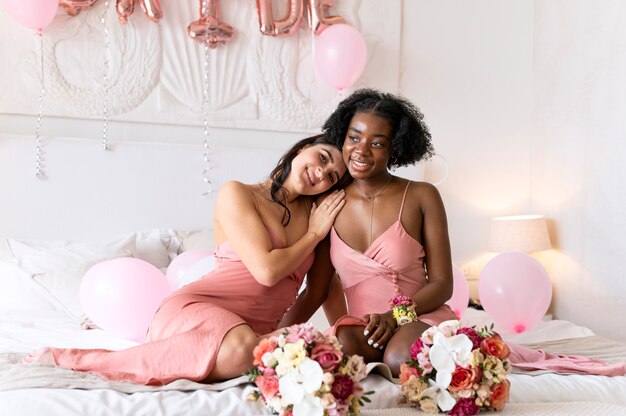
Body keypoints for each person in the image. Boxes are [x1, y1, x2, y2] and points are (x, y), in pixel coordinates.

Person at [23, 134, 349, 385]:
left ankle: (255, 346)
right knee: (240, 350)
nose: (321, 172)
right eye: (322, 157)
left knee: (255, 351)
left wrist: (293, 336)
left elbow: (318, 290)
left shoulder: (320, 217)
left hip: (249, 334)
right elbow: (266, 271)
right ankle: (74, 359)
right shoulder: (239, 194)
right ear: (301, 148)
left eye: (332, 176)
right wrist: (313, 235)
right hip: (194, 310)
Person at [318, 88, 457, 377]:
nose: (361, 150)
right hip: (366, 328)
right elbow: (323, 285)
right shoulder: (327, 201)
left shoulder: (422, 196)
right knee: (332, 356)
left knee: (399, 360)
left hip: (418, 318)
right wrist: (342, 326)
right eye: (354, 137)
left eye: (377, 143)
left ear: (395, 148)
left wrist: (395, 317)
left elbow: (443, 284)